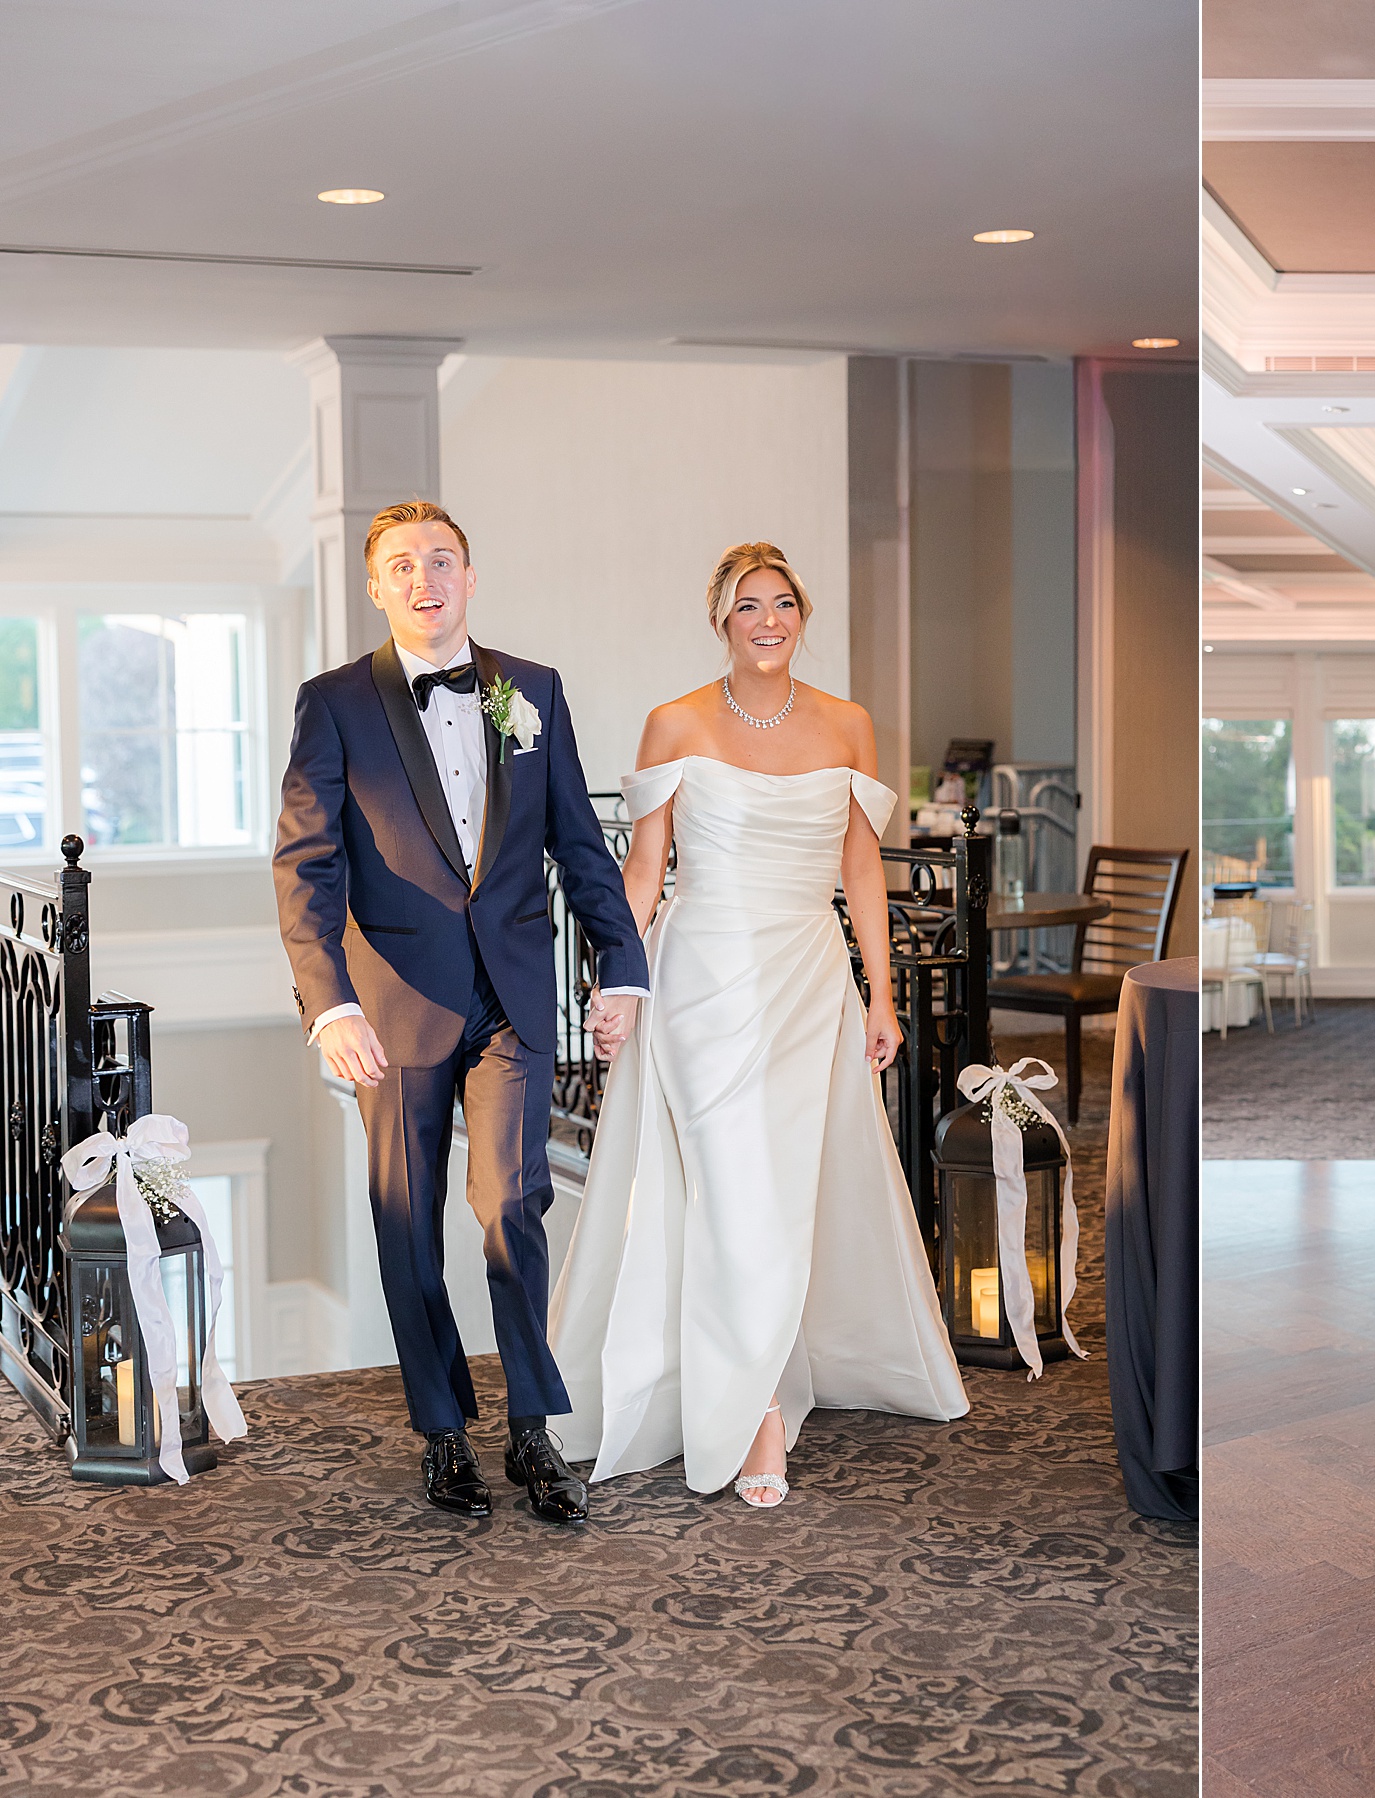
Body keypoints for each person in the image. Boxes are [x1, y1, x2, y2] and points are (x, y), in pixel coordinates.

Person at [549, 541, 967, 1508]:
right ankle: (760, 1407)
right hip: (702, 980)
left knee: (779, 1189)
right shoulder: (677, 721)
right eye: (749, 605)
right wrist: (616, 985)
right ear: (721, 619)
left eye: (783, 602)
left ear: (800, 614)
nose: (768, 619)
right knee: (732, 1183)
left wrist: (884, 994)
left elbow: (863, 867)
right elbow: (644, 873)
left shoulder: (849, 724)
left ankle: (758, 1371)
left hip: (809, 977)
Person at [274, 500, 646, 1526]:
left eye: (442, 559)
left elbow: (579, 841)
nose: (424, 576)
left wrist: (621, 967)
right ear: (376, 586)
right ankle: (443, 1429)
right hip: (391, 1010)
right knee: (408, 1222)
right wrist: (328, 1004)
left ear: (470, 576)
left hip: (513, 997)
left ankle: (533, 1427)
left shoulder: (533, 691)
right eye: (401, 564)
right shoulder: (334, 703)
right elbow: (305, 864)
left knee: (511, 1202)